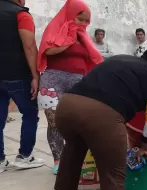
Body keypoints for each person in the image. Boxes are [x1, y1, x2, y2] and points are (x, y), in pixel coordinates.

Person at [53, 45, 147, 190]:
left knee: (75, 145)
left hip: (66, 108)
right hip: (100, 116)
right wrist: (146, 147)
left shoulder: (120, 59)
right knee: (114, 172)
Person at [37, 0, 103, 175]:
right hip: (52, 81)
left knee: (80, 122)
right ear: (70, 14)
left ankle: (77, 158)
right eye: (79, 19)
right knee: (54, 122)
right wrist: (69, 39)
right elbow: (47, 50)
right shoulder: (55, 29)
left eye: (85, 21)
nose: (82, 24)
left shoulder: (84, 36)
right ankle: (58, 160)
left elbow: (91, 58)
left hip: (78, 82)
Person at [0, 0, 44, 172]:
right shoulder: (21, 14)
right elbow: (30, 46)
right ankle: (25, 156)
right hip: (17, 75)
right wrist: (35, 75)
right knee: (30, 113)